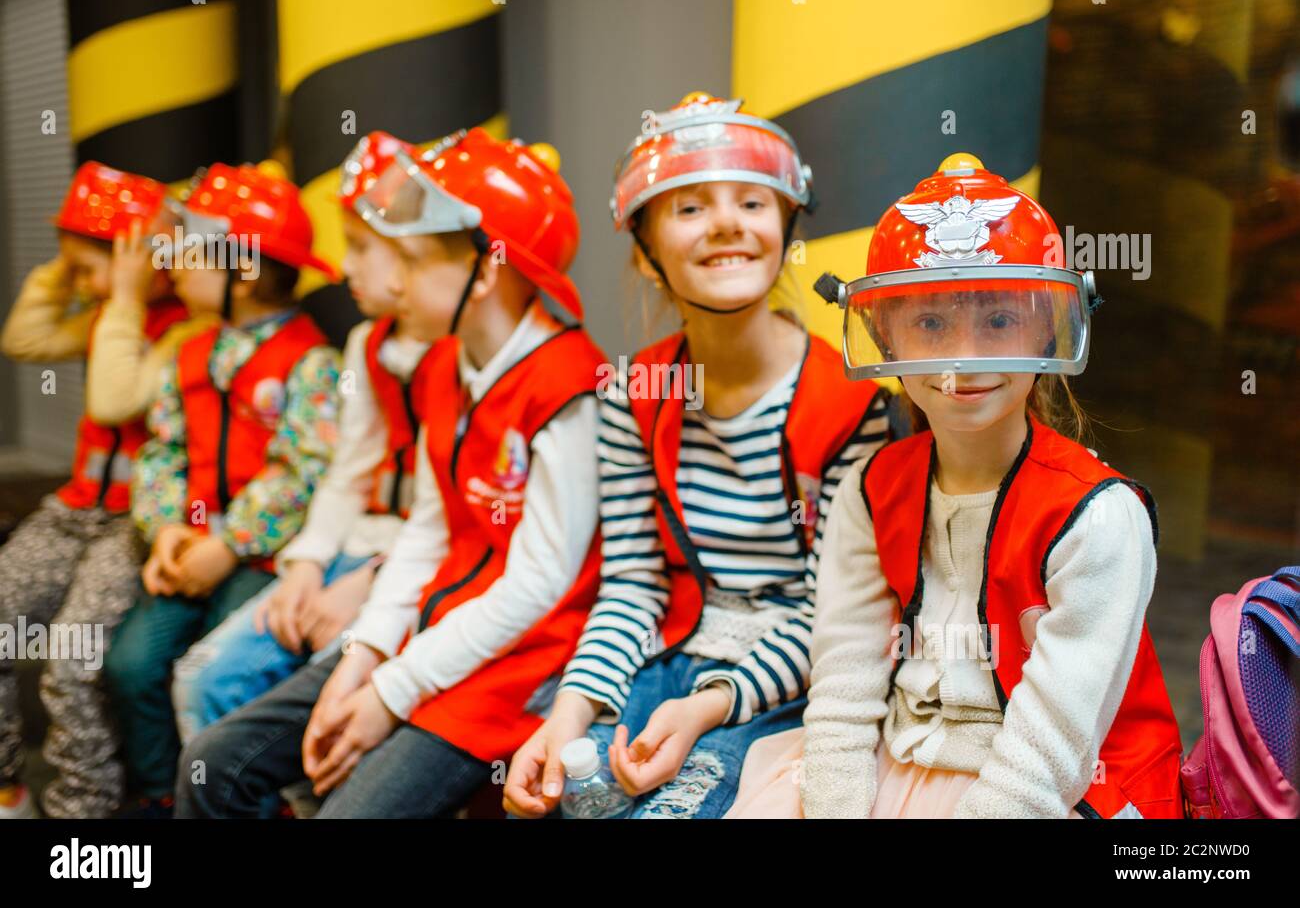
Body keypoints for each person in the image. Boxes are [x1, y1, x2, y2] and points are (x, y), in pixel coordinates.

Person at [725, 153, 1184, 819]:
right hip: (896, 761)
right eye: (932, 322)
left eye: (998, 320)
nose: (963, 355)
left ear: (1048, 325)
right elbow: (845, 685)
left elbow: (1047, 756)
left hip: (1059, 787)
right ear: (884, 333)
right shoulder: (868, 488)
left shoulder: (1099, 516)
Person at [176, 129, 606, 819]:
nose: (388, 281)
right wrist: (362, 657)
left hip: (509, 673)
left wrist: (386, 691)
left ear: (487, 268)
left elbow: (536, 586)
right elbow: (428, 534)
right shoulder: (442, 365)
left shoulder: (569, 385)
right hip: (421, 641)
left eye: (405, 257)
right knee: (212, 763)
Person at [504, 93, 890, 819]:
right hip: (672, 652)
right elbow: (633, 584)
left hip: (794, 678)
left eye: (752, 201)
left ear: (785, 228)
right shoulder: (634, 394)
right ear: (647, 256)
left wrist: (709, 707)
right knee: (566, 795)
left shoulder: (851, 398)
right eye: (688, 208)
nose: (725, 223)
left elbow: (838, 614)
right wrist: (568, 714)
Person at [168, 133, 434, 742]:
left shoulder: (465, 355)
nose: (345, 270)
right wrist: (306, 567)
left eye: (364, 249)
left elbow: (455, 527)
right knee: (201, 679)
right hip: (353, 549)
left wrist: (364, 582)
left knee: (328, 699)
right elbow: (347, 472)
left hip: (407, 573)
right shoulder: (369, 344)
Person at [103, 162, 342, 816]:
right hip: (189, 547)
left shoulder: (313, 361)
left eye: (189, 249)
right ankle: (163, 794)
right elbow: (163, 451)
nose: (172, 262)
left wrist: (229, 545)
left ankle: (248, 799)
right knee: (129, 665)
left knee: (216, 669)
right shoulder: (186, 353)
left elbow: (302, 473)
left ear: (242, 269)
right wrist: (167, 530)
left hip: (263, 559)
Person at [0, 162, 204, 818]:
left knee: (70, 657)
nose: (80, 287)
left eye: (91, 269)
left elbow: (117, 399)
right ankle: (10, 787)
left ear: (144, 262)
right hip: (75, 510)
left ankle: (82, 813)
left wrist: (122, 295)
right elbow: (23, 337)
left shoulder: (189, 328)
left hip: (134, 524)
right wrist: (74, 264)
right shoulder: (108, 312)